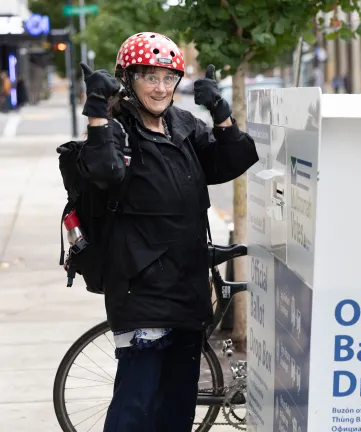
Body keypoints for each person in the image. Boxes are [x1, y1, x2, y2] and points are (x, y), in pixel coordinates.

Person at [76, 32, 259, 432]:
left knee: (176, 409)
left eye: (168, 78)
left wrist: (221, 113)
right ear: (129, 79)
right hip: (141, 290)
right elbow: (104, 171)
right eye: (150, 78)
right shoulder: (119, 128)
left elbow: (232, 161)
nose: (160, 88)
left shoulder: (181, 124)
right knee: (135, 407)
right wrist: (96, 114)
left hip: (187, 288)